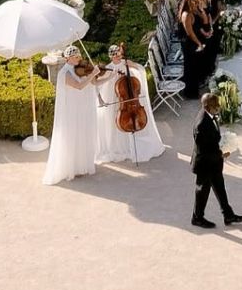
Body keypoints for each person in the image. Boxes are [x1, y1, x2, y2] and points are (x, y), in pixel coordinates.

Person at [95, 45, 166, 164]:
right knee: (115, 121)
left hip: (130, 100)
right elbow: (99, 84)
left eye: (118, 54)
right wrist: (112, 76)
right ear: (110, 56)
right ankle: (119, 147)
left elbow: (141, 71)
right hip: (117, 101)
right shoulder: (108, 68)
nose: (116, 56)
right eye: (113, 55)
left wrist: (132, 66)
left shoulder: (126, 63)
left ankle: (132, 145)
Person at [42, 45, 101, 185]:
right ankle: (71, 167)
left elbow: (88, 83)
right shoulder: (65, 73)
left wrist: (93, 75)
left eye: (79, 56)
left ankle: (80, 166)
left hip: (79, 109)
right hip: (71, 110)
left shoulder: (77, 69)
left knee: (81, 134)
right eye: (76, 57)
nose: (79, 59)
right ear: (68, 58)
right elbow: (79, 86)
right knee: (72, 136)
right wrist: (92, 74)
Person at [191, 92, 242, 229]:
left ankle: (228, 215)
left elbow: (212, 140)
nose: (218, 107)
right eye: (215, 105)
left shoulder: (210, 115)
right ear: (207, 107)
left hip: (213, 164)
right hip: (205, 164)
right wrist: (221, 154)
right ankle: (197, 218)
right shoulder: (201, 125)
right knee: (202, 192)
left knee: (220, 188)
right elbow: (204, 150)